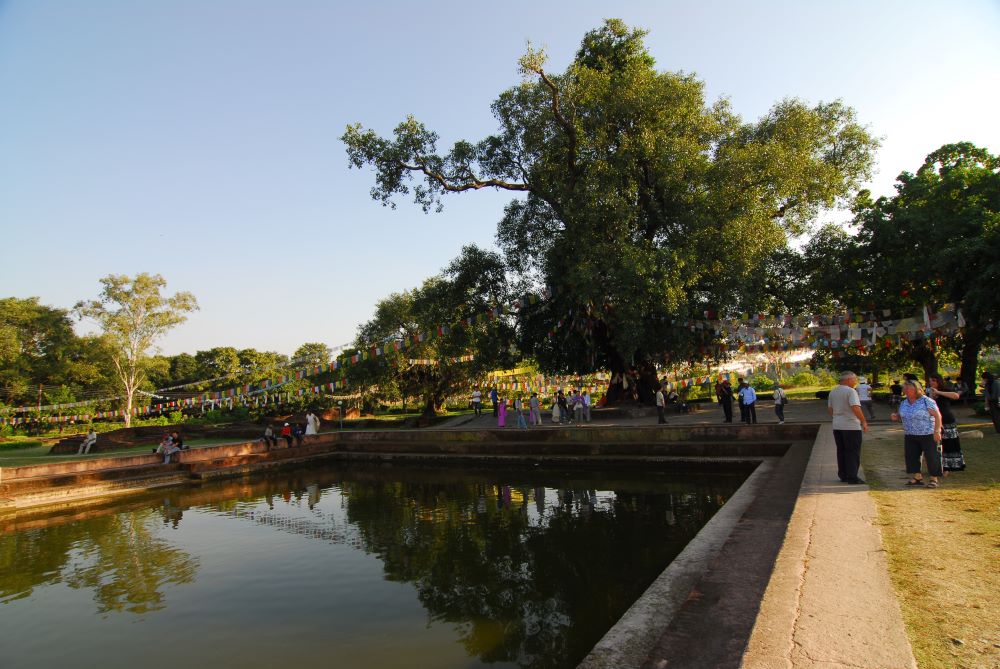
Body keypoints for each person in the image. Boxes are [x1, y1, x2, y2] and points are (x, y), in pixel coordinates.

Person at [891, 379, 943, 487]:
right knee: (912, 456)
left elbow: (938, 416)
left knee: (932, 456)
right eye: (904, 388)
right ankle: (917, 476)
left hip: (927, 433)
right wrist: (896, 416)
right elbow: (901, 415)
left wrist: (937, 431)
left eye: (908, 388)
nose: (905, 390)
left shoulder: (926, 401)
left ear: (916, 389)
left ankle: (934, 478)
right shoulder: (904, 402)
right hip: (910, 433)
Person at [827, 371, 869, 484]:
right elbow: (855, 407)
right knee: (852, 451)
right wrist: (863, 421)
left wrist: (837, 417)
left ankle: (843, 474)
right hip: (851, 425)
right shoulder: (851, 391)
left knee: (841, 451)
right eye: (854, 379)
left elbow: (830, 409)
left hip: (837, 425)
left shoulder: (833, 391)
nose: (855, 382)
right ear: (848, 380)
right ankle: (852, 476)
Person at [928, 373, 964, 472]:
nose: (931, 383)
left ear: (939, 381)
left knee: (949, 443)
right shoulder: (928, 393)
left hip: (947, 420)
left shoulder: (945, 390)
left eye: (934, 380)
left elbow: (956, 396)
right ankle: (937, 465)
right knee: (935, 444)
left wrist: (939, 392)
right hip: (934, 422)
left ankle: (948, 467)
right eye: (930, 381)